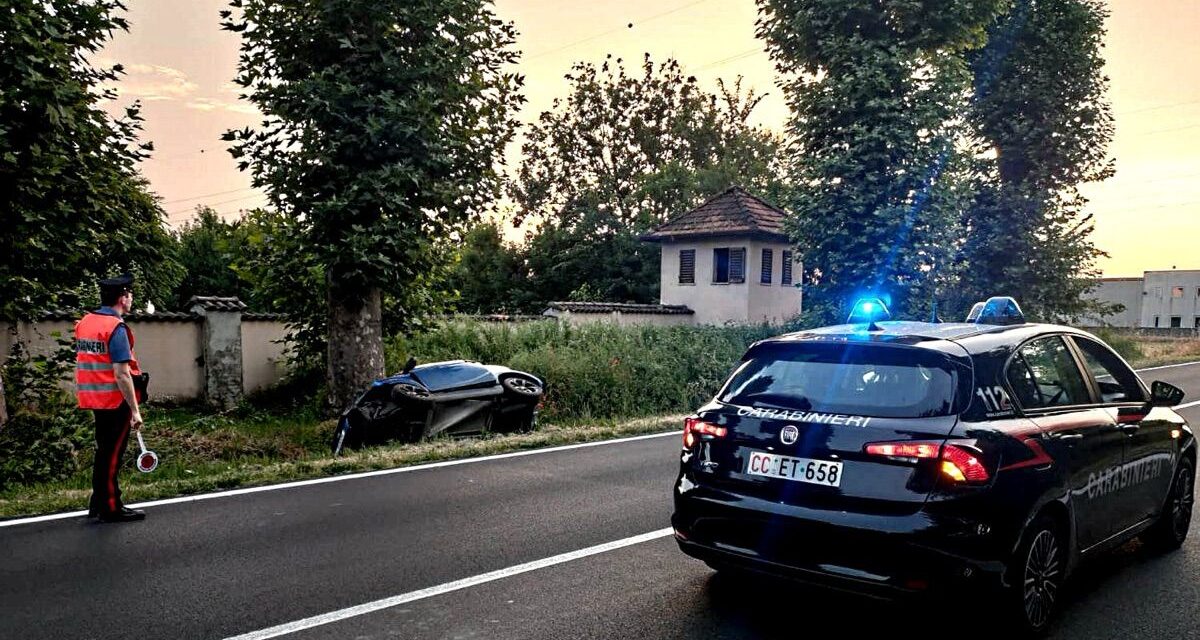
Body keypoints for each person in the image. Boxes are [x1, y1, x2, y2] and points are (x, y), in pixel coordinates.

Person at [75, 273, 147, 523]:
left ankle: (99, 502)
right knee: (112, 455)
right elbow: (122, 373)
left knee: (103, 451)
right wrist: (135, 410)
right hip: (114, 401)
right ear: (122, 297)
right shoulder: (115, 328)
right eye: (130, 295)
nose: (132, 299)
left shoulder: (85, 322)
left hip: (94, 397)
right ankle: (111, 507)